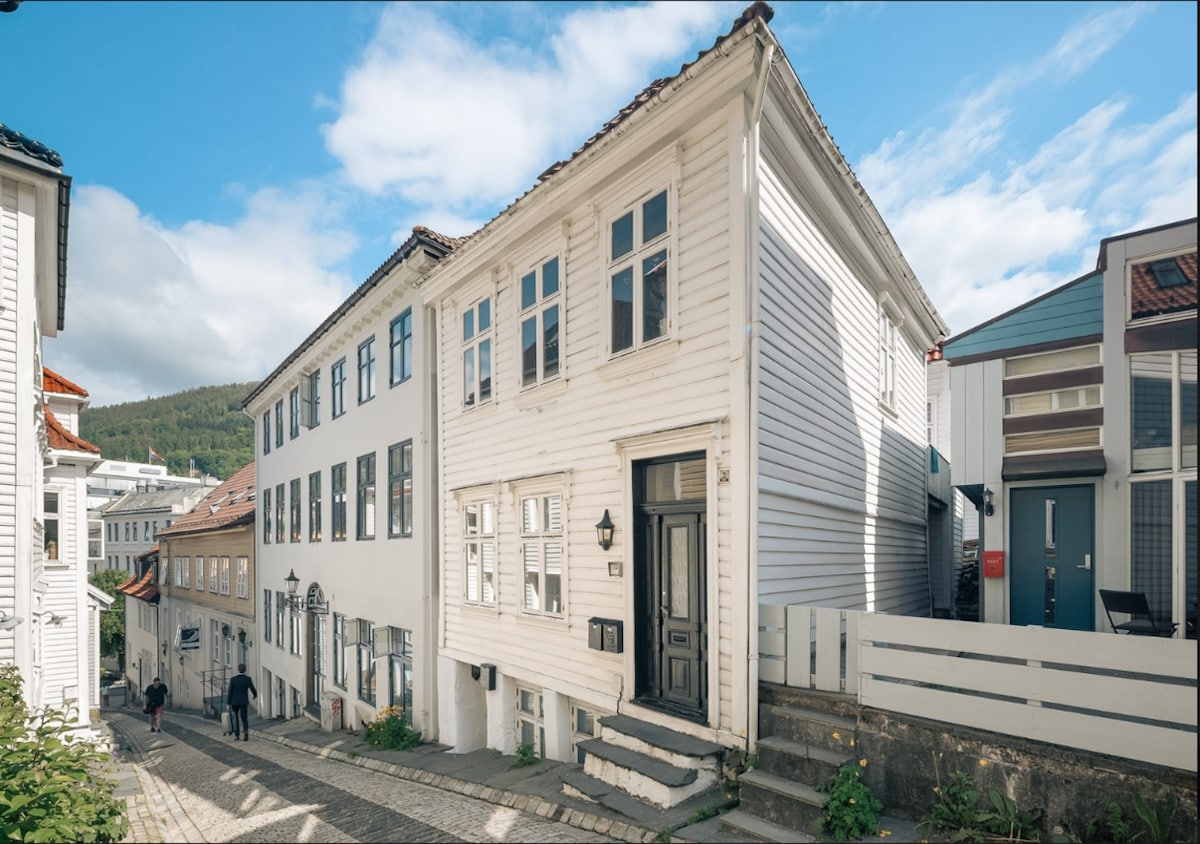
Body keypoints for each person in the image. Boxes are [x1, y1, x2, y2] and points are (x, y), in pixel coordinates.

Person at [226, 663, 257, 741]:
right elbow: (252, 689)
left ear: (238, 669)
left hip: (234, 702)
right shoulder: (247, 679)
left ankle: (237, 735)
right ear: (245, 670)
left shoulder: (233, 680)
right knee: (244, 718)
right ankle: (246, 734)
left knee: (235, 718)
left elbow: (230, 692)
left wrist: (228, 703)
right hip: (243, 701)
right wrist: (255, 695)